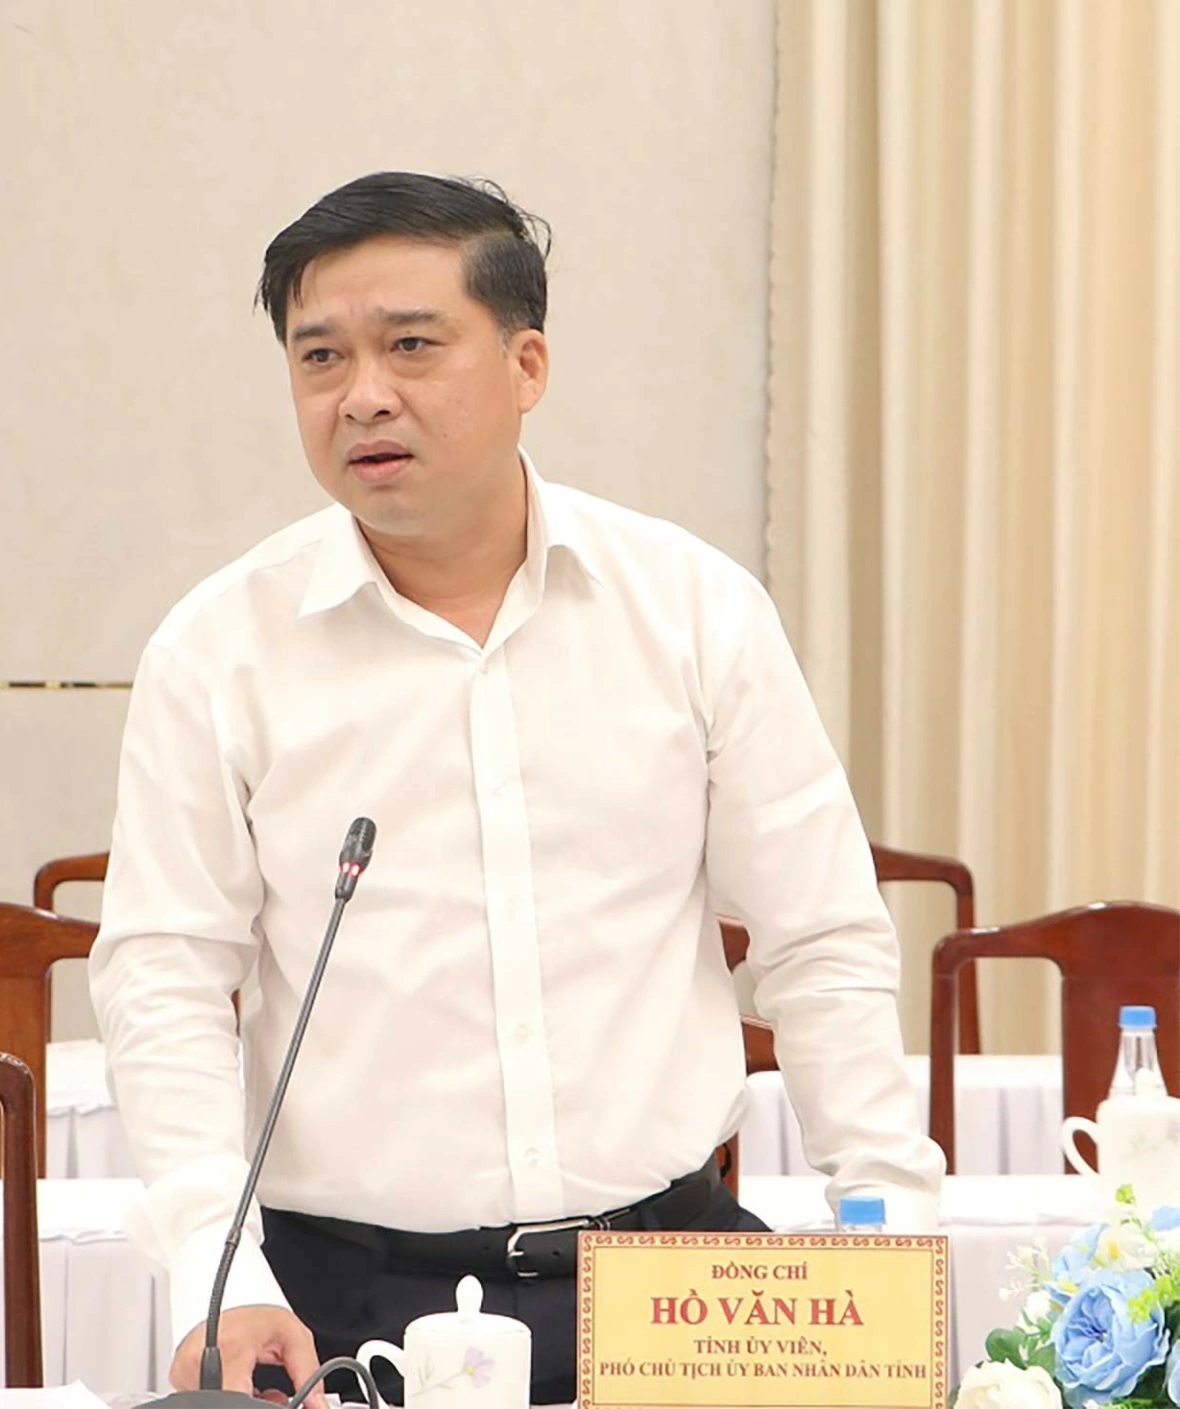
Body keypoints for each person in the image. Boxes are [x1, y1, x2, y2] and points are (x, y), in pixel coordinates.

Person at [87, 171, 943, 1407]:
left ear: (527, 363)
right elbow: (163, 977)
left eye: (412, 346)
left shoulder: (691, 611)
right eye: (319, 357)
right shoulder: (221, 650)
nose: (363, 394)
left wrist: (883, 1231)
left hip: (670, 1282)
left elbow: (819, 943)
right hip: (340, 1297)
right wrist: (219, 1276)